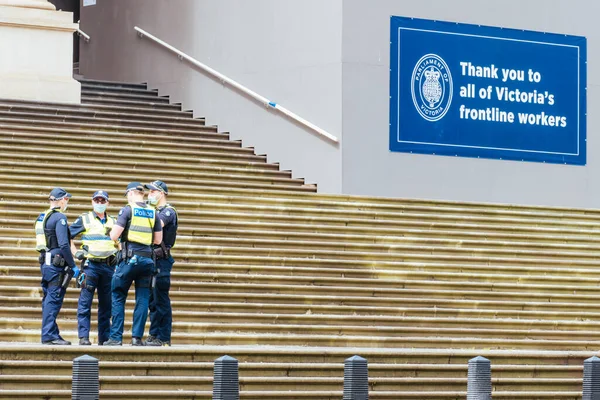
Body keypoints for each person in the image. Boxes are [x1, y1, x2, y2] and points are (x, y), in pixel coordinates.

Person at [103, 182, 162, 346]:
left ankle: (115, 337)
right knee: (142, 299)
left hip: (129, 260)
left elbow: (114, 236)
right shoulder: (153, 212)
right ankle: (137, 338)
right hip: (147, 260)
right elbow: (158, 240)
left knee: (118, 295)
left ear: (130, 194)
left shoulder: (128, 210)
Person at [69, 190, 118, 346]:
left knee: (107, 304)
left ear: (107, 203)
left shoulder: (114, 221)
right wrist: (76, 252)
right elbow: (67, 235)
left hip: (109, 267)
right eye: (97, 200)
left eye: (103, 201)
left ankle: (104, 339)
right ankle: (84, 337)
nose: (99, 203)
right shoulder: (85, 219)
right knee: (85, 303)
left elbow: (120, 240)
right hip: (90, 266)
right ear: (92, 202)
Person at [35, 187, 79, 345]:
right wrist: (73, 266)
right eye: (67, 199)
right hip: (55, 264)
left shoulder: (42, 216)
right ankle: (48, 335)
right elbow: (64, 245)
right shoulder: (59, 217)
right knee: (53, 299)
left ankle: (52, 332)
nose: (67, 202)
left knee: (48, 299)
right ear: (61, 200)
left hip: (45, 262)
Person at [144, 180, 178, 346]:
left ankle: (163, 337)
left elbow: (156, 225)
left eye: (153, 191)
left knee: (161, 299)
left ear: (161, 193)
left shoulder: (168, 212)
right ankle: (154, 333)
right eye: (149, 191)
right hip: (151, 258)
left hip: (162, 261)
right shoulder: (154, 211)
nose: (150, 194)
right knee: (152, 299)